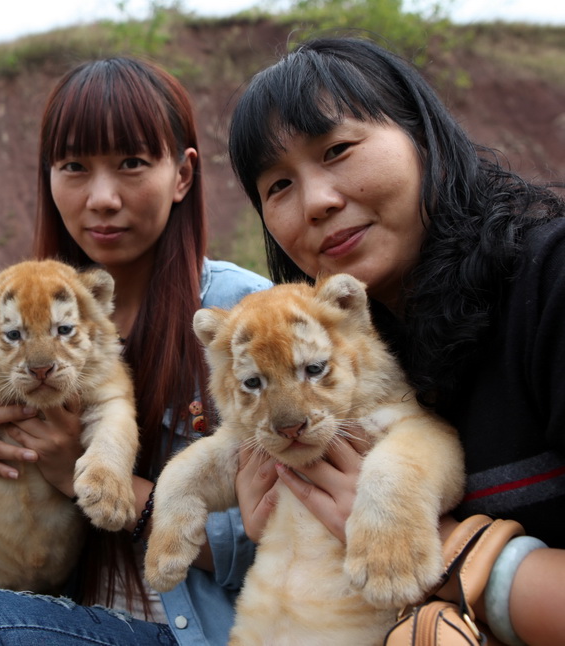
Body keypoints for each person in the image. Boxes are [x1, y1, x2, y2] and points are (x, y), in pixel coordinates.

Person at [0, 57, 271, 645]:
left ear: (182, 175)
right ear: (47, 178)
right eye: (74, 166)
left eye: (131, 163)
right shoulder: (31, 304)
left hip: (199, 632)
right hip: (68, 616)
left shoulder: (245, 315)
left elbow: (277, 542)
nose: (101, 198)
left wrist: (96, 477)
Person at [227, 36, 565, 646]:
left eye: (337, 149)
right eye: (277, 186)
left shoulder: (552, 281)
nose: (317, 202)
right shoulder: (338, 347)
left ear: (424, 136)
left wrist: (447, 551)